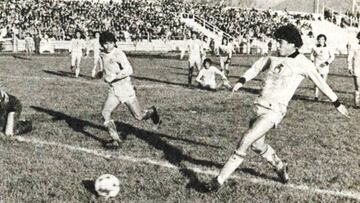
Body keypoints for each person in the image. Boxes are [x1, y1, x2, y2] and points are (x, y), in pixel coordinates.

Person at [205, 25, 350, 192]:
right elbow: (256, 67)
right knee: (257, 145)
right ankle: (280, 166)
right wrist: (241, 81)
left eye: (280, 42)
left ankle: (218, 180)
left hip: (275, 111)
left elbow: (321, 83)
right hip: (259, 106)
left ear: (292, 44)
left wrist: (337, 103)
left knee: (246, 139)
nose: (277, 45)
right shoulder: (273, 57)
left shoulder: (303, 63)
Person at [99, 31, 161, 149]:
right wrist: (101, 73)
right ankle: (116, 140)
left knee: (139, 116)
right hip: (114, 90)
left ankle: (152, 112)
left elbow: (129, 70)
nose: (107, 46)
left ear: (114, 43)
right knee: (105, 113)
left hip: (125, 89)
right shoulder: (102, 55)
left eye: (110, 43)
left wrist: (115, 76)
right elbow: (108, 69)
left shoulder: (119, 54)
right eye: (105, 44)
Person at [310, 34, 335, 100]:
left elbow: (332, 56)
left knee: (323, 82)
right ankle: (316, 96)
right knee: (316, 81)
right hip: (316, 66)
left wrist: (326, 63)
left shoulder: (328, 47)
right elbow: (312, 55)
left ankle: (323, 95)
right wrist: (313, 63)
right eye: (319, 39)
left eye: (322, 39)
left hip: (324, 66)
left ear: (325, 40)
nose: (321, 41)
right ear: (317, 40)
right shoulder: (314, 47)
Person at [347, 31, 360, 107]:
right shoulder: (354, 46)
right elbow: (349, 57)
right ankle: (357, 103)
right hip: (357, 68)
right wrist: (349, 67)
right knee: (358, 86)